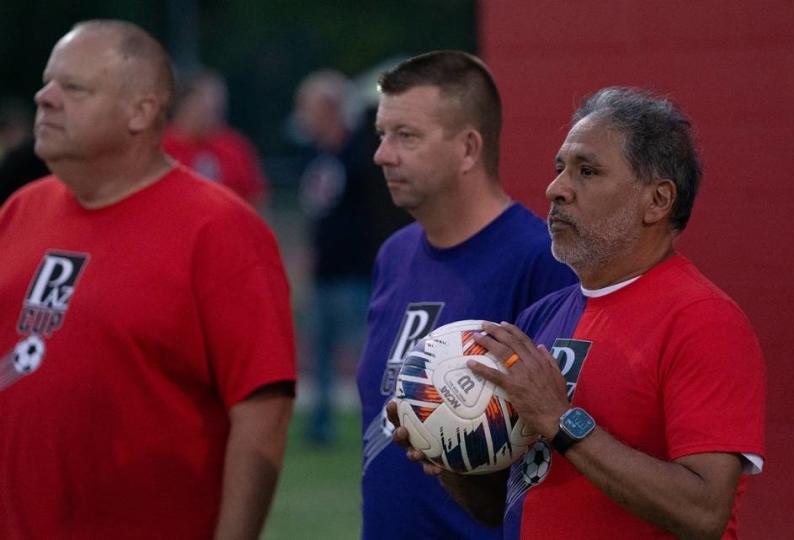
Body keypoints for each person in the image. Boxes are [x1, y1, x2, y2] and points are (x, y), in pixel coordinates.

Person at [390, 87, 767, 539]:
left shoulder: (704, 321)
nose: (556, 189)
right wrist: (450, 447)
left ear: (657, 201)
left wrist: (560, 420)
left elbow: (704, 513)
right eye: (559, 169)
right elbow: (497, 507)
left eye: (587, 171)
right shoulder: (540, 317)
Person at [0, 20, 296, 540]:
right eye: (49, 82)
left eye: (74, 87)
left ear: (140, 111)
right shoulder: (21, 210)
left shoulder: (219, 229)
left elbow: (262, 415)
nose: (44, 98)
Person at [357, 51, 576, 539]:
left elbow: (561, 449)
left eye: (405, 136)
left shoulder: (541, 260)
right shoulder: (395, 255)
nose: (382, 154)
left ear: (469, 149)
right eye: (381, 134)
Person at [293, 70, 410, 444]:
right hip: (325, 269)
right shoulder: (316, 154)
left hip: (356, 268)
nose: (305, 116)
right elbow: (319, 211)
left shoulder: (361, 153)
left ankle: (385, 420)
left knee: (369, 353)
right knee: (321, 354)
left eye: (310, 108)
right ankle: (321, 426)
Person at [162, 69, 268, 205]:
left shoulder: (235, 147)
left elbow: (257, 200)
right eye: (205, 103)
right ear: (185, 103)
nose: (214, 109)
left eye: (218, 105)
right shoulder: (157, 149)